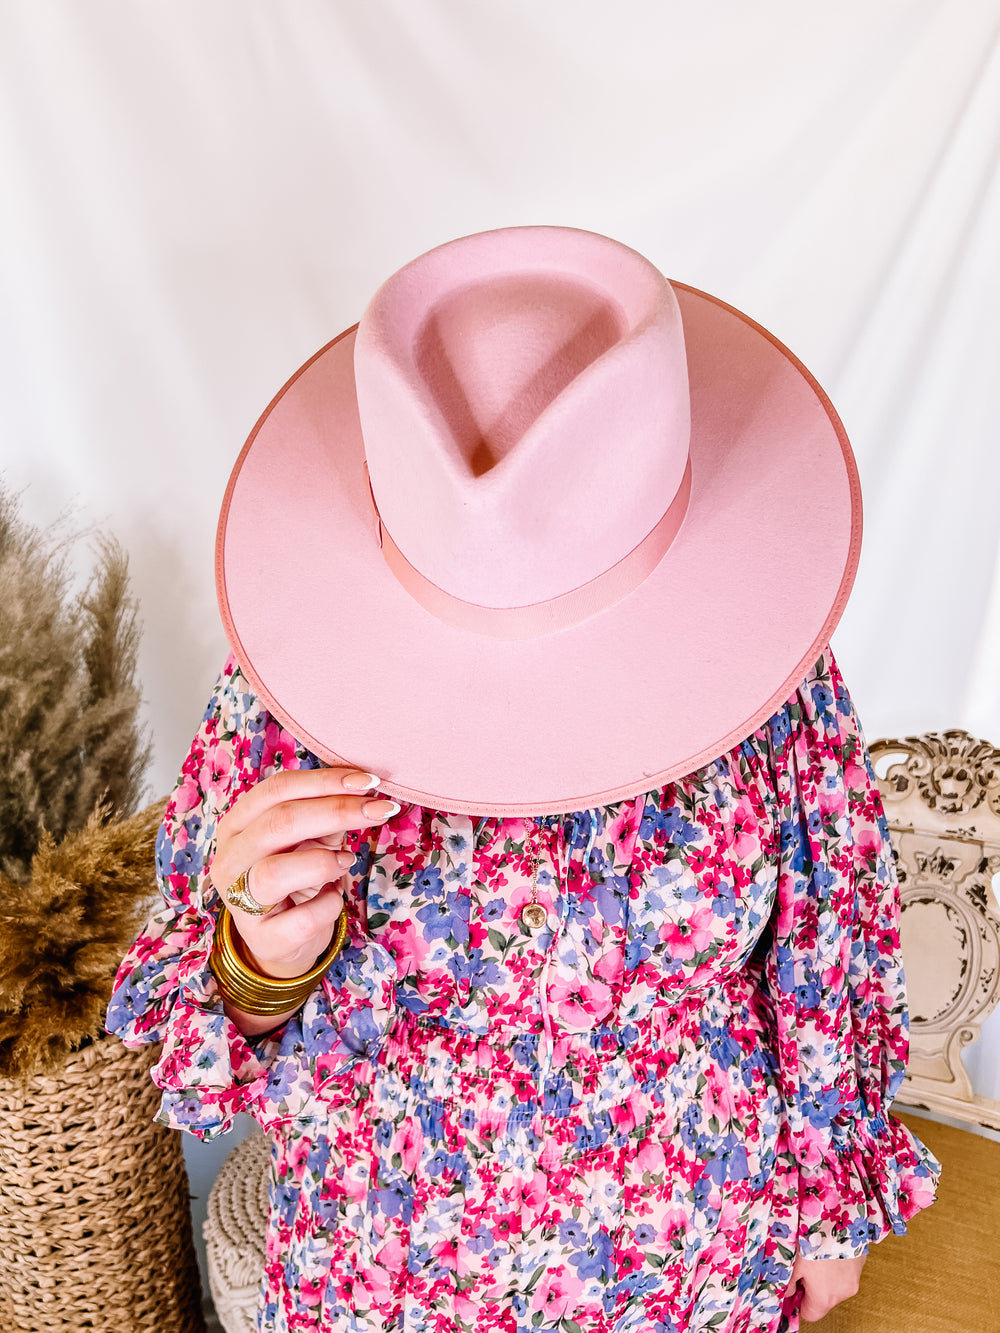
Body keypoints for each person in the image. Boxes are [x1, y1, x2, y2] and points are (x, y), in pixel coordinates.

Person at [108, 227, 940, 1333]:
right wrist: (256, 957)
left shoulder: (763, 669)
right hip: (388, 1281)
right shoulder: (293, 679)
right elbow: (187, 1025)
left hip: (697, 1264)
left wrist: (832, 1213)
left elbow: (829, 938)